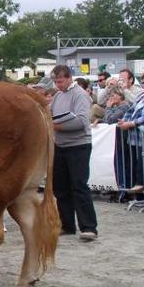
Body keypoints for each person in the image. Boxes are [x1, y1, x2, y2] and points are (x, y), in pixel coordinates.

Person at [50, 65, 98, 241]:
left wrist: (55, 126)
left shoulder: (80, 95)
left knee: (79, 186)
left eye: (60, 81)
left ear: (69, 77)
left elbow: (82, 122)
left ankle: (89, 227)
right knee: (60, 187)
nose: (58, 85)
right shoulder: (57, 96)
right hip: (60, 146)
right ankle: (67, 224)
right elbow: (49, 114)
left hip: (78, 146)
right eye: (55, 82)